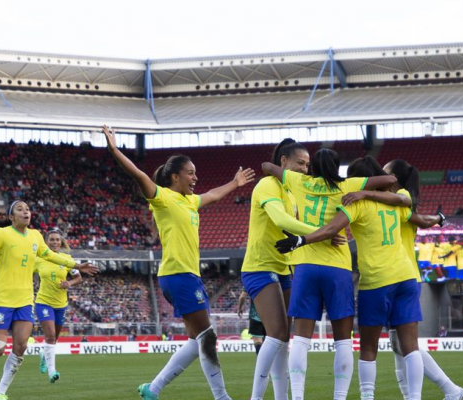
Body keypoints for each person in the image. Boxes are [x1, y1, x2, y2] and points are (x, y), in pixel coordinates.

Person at [103, 126, 254, 400]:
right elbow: (137, 174)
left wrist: (235, 183)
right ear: (175, 176)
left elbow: (214, 195)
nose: (196, 177)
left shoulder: (190, 201)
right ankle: (221, 397)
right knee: (207, 337)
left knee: (197, 340)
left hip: (188, 276)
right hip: (178, 275)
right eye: (191, 173)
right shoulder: (163, 198)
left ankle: (153, 389)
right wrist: (114, 150)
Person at [263, 150, 396, 400]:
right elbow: (389, 181)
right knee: (343, 340)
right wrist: (363, 192)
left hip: (305, 265)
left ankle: (298, 396)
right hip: (337, 267)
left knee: (301, 339)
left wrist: (279, 170)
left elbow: (266, 166)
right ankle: (340, 397)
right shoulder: (348, 184)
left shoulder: (299, 181)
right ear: (338, 168)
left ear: (312, 166)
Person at [337, 157, 463, 400]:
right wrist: (438, 218)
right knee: (401, 347)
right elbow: (419, 219)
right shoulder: (394, 202)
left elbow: (417, 216)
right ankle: (433, 393)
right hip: (405, 274)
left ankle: (448, 389)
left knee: (401, 346)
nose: (383, 175)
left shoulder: (394, 197)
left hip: (386, 275)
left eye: (387, 172)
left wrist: (438, 218)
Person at [0, 201, 98, 400]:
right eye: (20, 209)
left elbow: (52, 256)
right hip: (2, 299)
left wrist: (77, 265)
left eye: (27, 209)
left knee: (20, 348)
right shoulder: (2, 234)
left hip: (25, 301)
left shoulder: (35, 236)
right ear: (11, 217)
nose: (25, 212)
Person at [242, 138, 344, 400]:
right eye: (300, 162)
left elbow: (291, 227)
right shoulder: (267, 184)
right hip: (259, 266)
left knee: (284, 339)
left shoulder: (290, 191)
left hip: (285, 267)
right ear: (284, 162)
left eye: (308, 165)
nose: (305, 169)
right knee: (275, 334)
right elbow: (281, 220)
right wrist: (324, 233)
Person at [34, 228, 83, 383]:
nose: (55, 242)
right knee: (49, 336)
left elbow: (78, 278)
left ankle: (44, 355)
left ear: (61, 242)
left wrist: (69, 282)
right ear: (46, 242)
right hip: (43, 303)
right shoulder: (38, 258)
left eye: (57, 239)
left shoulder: (67, 258)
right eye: (51, 239)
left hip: (61, 304)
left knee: (53, 339)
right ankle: (52, 371)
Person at [237, 291, 265, 356]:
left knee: (258, 342)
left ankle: (261, 364)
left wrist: (240, 308)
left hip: (255, 316)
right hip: (270, 317)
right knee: (270, 342)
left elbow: (242, 297)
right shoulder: (273, 280)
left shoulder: (251, 280)